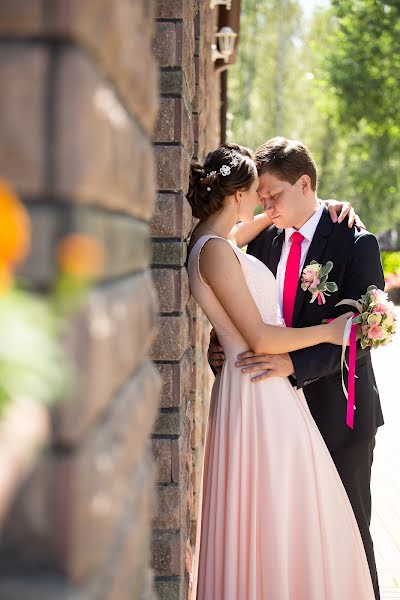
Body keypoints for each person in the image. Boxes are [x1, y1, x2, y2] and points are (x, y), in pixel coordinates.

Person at [188, 142, 375, 600]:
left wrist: (295, 364)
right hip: (263, 400)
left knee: (342, 528)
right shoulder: (254, 242)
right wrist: (224, 341)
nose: (266, 205)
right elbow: (250, 318)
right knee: (272, 528)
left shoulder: (353, 239)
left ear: (305, 185)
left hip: (335, 409)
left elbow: (363, 332)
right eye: (260, 195)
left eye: (273, 195)